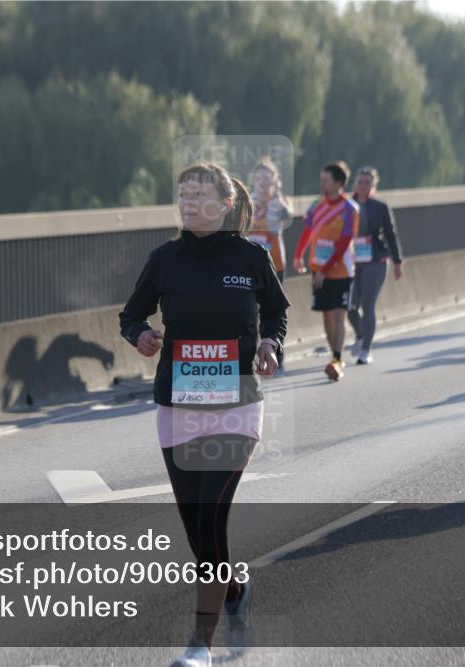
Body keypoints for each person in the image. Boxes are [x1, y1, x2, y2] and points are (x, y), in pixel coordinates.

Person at [119, 162, 289, 667]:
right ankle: (234, 586)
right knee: (197, 529)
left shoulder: (251, 256)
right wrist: (141, 336)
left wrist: (269, 343)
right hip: (179, 405)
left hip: (235, 407)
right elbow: (131, 314)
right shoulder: (165, 259)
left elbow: (276, 311)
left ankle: (200, 645)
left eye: (199, 194)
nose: (188, 201)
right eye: (183, 194)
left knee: (212, 518)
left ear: (225, 203)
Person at [293, 161, 359, 380]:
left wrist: (326, 269)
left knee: (339, 315)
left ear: (339, 183)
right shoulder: (316, 206)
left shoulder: (349, 209)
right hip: (318, 268)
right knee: (327, 316)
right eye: (321, 180)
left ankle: (337, 359)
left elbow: (344, 242)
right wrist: (298, 254)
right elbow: (308, 231)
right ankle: (335, 355)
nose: (322, 184)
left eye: (326, 181)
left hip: (341, 270)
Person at [346, 166, 404, 365]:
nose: (363, 186)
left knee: (368, 304)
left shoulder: (380, 207)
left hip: (375, 260)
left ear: (373, 185)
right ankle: (361, 335)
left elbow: (390, 234)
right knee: (349, 306)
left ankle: (366, 350)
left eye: (367, 183)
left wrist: (397, 261)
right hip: (351, 260)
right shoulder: (346, 204)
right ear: (355, 183)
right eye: (360, 182)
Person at [247, 157, 293, 371]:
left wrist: (275, 195)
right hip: (249, 263)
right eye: (259, 177)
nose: (263, 182)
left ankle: (277, 352)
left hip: (275, 262)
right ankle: (251, 353)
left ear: (275, 180)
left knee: (273, 310)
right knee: (249, 310)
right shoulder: (247, 201)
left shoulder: (280, 202)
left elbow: (287, 215)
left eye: (268, 177)